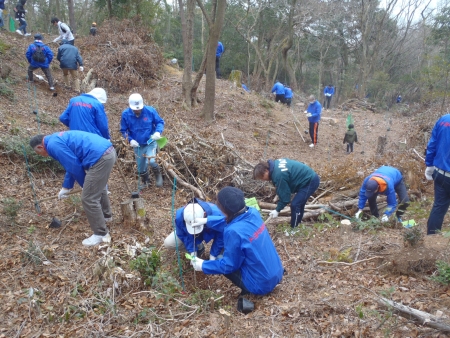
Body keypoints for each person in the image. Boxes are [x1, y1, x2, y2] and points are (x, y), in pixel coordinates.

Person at [190, 187, 284, 297]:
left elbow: (229, 265)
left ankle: (248, 290)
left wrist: (203, 265)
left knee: (221, 257)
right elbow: (233, 219)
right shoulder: (253, 212)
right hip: (276, 272)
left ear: (223, 208)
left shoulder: (233, 232)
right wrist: (206, 221)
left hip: (261, 285)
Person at [29, 131, 116, 246]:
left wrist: (85, 186)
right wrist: (67, 186)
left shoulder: (52, 145)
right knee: (98, 188)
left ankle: (101, 234)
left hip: (99, 157)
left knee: (89, 198)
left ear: (40, 147)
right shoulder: (54, 139)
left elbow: (73, 165)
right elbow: (71, 163)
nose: (40, 155)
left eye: (38, 152)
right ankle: (106, 216)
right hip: (106, 152)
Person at [253, 158, 320, 228]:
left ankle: (294, 229)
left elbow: (285, 199)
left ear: (266, 170)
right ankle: (298, 224)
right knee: (299, 204)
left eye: (262, 177)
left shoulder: (278, 175)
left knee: (295, 205)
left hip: (310, 181)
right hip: (308, 178)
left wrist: (277, 210)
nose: (263, 180)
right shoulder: (275, 164)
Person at [120, 93, 165, 188]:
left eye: (139, 108)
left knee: (151, 161)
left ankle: (158, 176)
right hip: (138, 145)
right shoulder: (125, 114)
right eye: (135, 109)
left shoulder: (150, 111)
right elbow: (124, 130)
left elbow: (160, 122)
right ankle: (146, 181)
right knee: (141, 167)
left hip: (150, 142)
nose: (137, 110)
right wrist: (130, 140)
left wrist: (158, 132)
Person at [425, 114, 450, 235]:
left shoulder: (444, 119)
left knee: (439, 207)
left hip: (440, 174)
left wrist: (429, 165)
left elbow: (432, 144)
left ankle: (431, 238)